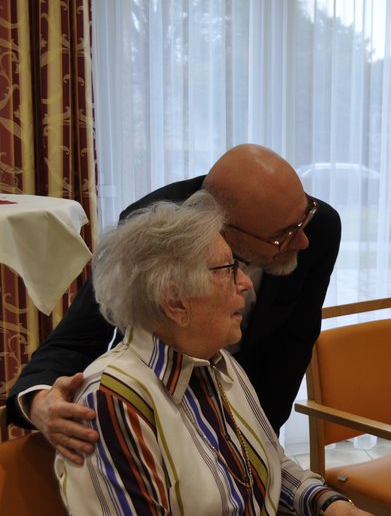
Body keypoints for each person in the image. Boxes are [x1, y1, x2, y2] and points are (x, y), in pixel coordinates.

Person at [56, 193, 391, 516]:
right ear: (174, 300)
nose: (245, 284)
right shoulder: (112, 401)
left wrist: (330, 506)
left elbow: (265, 459)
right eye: (227, 269)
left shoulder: (217, 364)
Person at [6, 144, 341, 464]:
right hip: (158, 404)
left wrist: (257, 448)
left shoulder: (318, 228)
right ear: (225, 229)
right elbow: (78, 336)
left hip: (246, 398)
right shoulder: (155, 230)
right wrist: (39, 399)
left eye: (305, 216)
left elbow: (292, 347)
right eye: (284, 235)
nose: (303, 240)